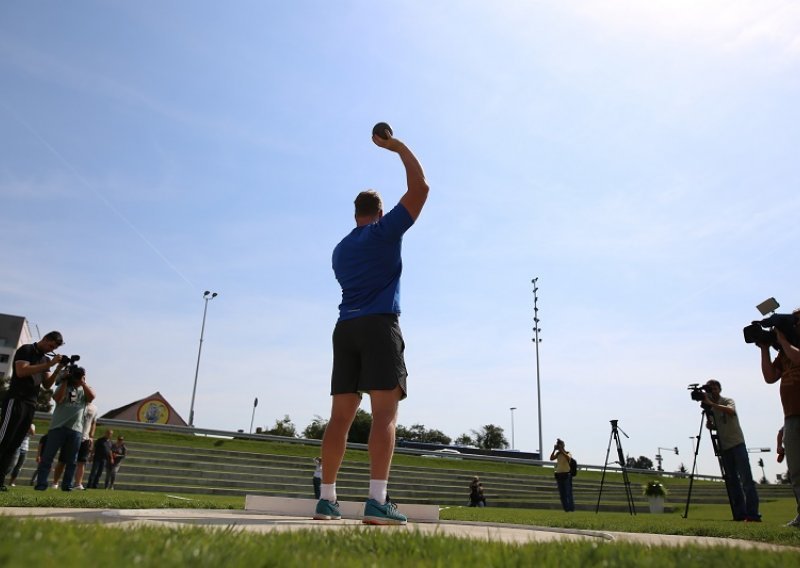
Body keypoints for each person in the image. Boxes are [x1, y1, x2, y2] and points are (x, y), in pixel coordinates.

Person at [314, 126, 429, 526]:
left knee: (340, 418)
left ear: (354, 213)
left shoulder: (340, 249)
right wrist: (396, 147)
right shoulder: (383, 233)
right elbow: (421, 188)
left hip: (345, 329)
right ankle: (377, 501)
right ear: (379, 213)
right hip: (379, 326)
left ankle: (326, 500)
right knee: (384, 417)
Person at [0, 331, 65, 491]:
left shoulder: (45, 359)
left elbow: (47, 385)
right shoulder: (26, 350)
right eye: (51, 345)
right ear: (45, 339)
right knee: (4, 440)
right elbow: (22, 371)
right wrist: (48, 365)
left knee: (15, 443)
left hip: (31, 403)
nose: (51, 349)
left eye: (54, 347)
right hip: (16, 400)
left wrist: (58, 369)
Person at [759, 309, 800, 527]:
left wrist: (782, 340)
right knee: (796, 470)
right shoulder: (783, 352)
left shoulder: (790, 349)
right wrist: (764, 347)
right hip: (791, 416)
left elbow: (797, 357)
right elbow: (770, 377)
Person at [702, 379, 761, 521]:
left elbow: (731, 411)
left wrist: (712, 405)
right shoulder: (710, 408)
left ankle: (752, 514)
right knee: (732, 482)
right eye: (710, 389)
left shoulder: (727, 400)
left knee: (746, 480)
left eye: (715, 388)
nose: (712, 391)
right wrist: (709, 421)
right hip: (724, 447)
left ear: (719, 389)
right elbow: (716, 425)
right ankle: (740, 514)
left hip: (737, 444)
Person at [34, 365, 95, 491]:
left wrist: (82, 383)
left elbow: (92, 397)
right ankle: (41, 484)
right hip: (58, 427)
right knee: (47, 458)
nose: (78, 378)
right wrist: (65, 381)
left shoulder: (85, 389)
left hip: (76, 430)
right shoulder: (63, 386)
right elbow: (57, 398)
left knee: (72, 460)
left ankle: (67, 485)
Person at [54, 401, 97, 490]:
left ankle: (78, 484)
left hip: (85, 438)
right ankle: (55, 483)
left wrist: (91, 437)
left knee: (81, 462)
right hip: (71, 435)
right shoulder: (76, 404)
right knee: (63, 460)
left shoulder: (94, 408)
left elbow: (93, 423)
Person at [550, 439, 575, 512]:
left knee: (568, 493)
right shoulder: (558, 454)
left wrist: (561, 450)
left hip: (566, 475)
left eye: (559, 444)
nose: (558, 445)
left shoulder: (568, 453)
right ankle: (566, 509)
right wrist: (554, 450)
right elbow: (551, 458)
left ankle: (571, 508)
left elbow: (568, 458)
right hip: (559, 475)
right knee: (562, 494)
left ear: (563, 445)